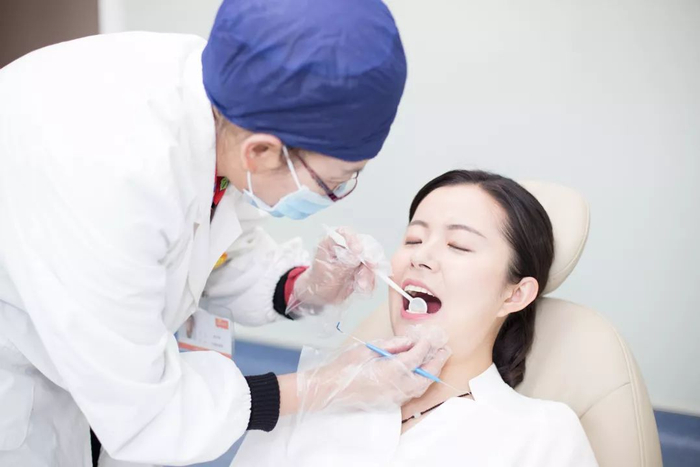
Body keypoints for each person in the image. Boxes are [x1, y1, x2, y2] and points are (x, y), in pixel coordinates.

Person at [0, 0, 450, 466]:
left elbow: (204, 248)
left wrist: (307, 287)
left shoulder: (230, 103)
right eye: (333, 183)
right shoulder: (108, 181)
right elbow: (149, 416)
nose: (336, 196)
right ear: (261, 152)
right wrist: (327, 385)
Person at [232, 170, 600, 466]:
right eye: (413, 239)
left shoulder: (542, 433)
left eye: (458, 245)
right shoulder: (315, 398)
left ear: (515, 294)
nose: (419, 257)